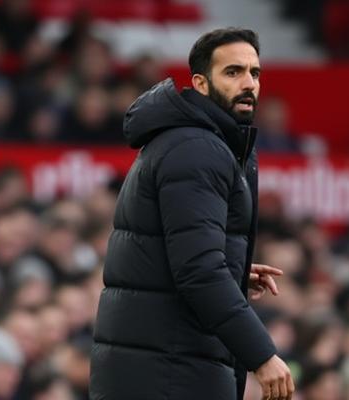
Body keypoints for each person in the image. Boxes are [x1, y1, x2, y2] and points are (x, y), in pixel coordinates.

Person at [89, 28, 295, 400]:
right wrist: (261, 355)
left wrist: (232, 268)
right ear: (200, 83)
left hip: (160, 365)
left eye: (255, 73)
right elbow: (199, 271)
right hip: (168, 372)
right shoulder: (197, 148)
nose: (248, 83)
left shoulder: (196, 141)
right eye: (233, 72)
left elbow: (177, 253)